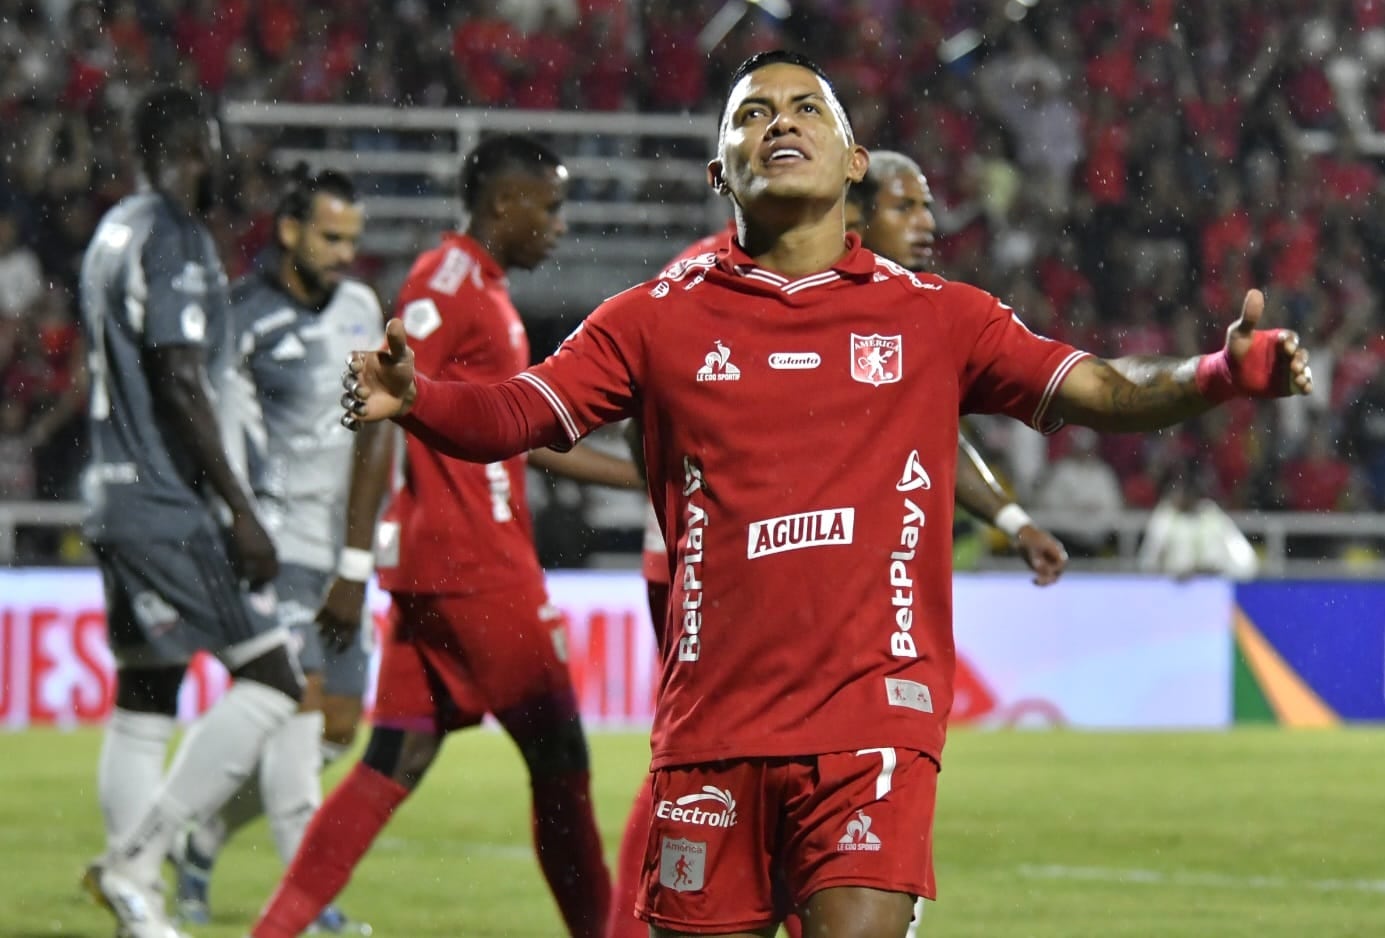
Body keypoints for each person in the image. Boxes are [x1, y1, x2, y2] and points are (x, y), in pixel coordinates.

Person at [340, 51, 1311, 938]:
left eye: (806, 107)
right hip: (709, 725)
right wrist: (416, 397)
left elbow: (1097, 387)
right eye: (750, 113)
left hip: (871, 715)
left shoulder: (936, 316)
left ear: (852, 160)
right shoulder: (651, 319)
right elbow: (516, 412)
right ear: (719, 172)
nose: (778, 121)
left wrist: (1217, 374)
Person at [605, 149, 1067, 938]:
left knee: (807, 768)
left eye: (928, 208)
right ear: (853, 208)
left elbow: (930, 433)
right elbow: (635, 403)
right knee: (702, 772)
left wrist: (1013, 521)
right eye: (908, 208)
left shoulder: (900, 309)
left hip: (829, 587)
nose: (928, 227)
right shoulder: (700, 279)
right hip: (715, 583)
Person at [251, 133, 643, 938]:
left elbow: (511, 433)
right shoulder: (450, 280)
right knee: (561, 767)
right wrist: (353, 562)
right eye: (552, 207)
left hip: (443, 570)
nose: (560, 226)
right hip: (476, 570)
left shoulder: (482, 292)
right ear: (505, 204)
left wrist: (640, 477)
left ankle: (271, 932)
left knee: (390, 764)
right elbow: (382, 403)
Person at [77, 85, 303, 938]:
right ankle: (137, 859)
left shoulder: (114, 231)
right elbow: (177, 375)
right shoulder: (173, 235)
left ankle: (137, 909)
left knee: (147, 693)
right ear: (193, 148)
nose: (228, 166)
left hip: (110, 490)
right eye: (218, 146)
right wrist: (240, 510)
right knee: (271, 677)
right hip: (166, 502)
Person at [171, 167, 382, 933]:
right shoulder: (242, 317)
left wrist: (357, 560)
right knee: (292, 719)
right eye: (331, 237)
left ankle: (205, 835)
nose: (345, 254)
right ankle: (308, 907)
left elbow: (377, 430)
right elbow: (217, 437)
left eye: (353, 240)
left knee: (334, 729)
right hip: (274, 547)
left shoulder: (362, 309)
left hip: (342, 553)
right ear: (289, 231)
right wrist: (237, 532)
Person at [1139, 467, 1259, 580]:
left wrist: (1221, 571)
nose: (1184, 497)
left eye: (1189, 492)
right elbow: (1148, 563)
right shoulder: (1165, 518)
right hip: (1173, 590)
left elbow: (1247, 563)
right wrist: (1170, 575)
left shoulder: (1212, 515)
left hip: (1212, 587)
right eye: (1179, 491)